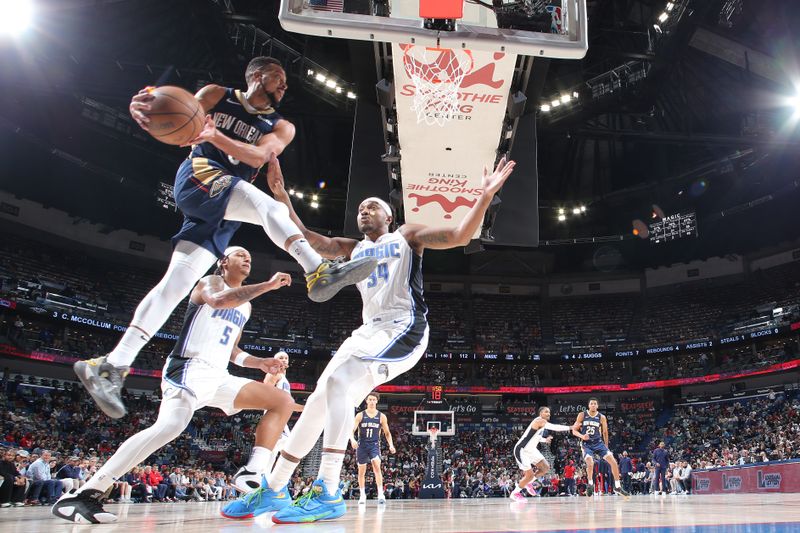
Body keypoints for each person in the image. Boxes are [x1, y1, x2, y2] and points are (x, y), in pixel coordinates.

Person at [75, 56, 377, 420]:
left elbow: (259, 154)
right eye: (277, 77)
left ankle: (110, 366)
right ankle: (317, 270)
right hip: (200, 175)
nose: (284, 85)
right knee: (269, 208)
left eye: (285, 81)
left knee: (175, 286)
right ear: (255, 75)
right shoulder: (217, 95)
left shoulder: (281, 126)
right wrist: (151, 103)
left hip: (224, 204)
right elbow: (178, 120)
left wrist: (214, 134)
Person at [222, 153, 516, 524]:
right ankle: (275, 488)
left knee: (341, 383)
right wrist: (281, 194)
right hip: (366, 331)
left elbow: (458, 235)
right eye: (360, 208)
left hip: (402, 327)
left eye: (372, 206)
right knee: (317, 401)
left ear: (389, 216)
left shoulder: (406, 236)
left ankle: (328, 489)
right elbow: (304, 236)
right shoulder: (352, 248)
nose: (363, 210)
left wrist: (484, 196)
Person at [52, 247, 296, 523]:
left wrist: (259, 363)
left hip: (218, 375)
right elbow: (218, 301)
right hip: (188, 368)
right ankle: (86, 493)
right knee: (169, 427)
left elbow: (233, 350)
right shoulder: (209, 283)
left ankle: (253, 470)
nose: (247, 258)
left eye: (250, 256)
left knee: (282, 401)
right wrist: (267, 285)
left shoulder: (246, 306)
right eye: (240, 254)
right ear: (223, 261)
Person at [231, 350, 304, 494]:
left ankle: (260, 484)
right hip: (274, 417)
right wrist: (305, 408)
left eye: (285, 358)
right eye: (280, 357)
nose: (283, 359)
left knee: (274, 454)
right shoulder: (273, 375)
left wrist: (305, 408)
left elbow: (287, 404)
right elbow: (267, 394)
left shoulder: (283, 377)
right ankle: (260, 481)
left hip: (281, 418)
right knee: (286, 449)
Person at [510, 406, 583, 502]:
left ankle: (528, 483)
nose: (548, 413)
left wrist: (545, 439)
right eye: (546, 412)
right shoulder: (539, 421)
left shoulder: (541, 425)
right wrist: (571, 427)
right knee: (529, 475)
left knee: (545, 467)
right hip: (522, 450)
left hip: (531, 450)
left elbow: (537, 437)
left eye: (549, 412)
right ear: (540, 414)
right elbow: (554, 427)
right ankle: (515, 493)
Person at [573, 398, 631, 497]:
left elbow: (605, 432)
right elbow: (574, 430)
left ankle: (617, 486)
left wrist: (606, 446)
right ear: (588, 405)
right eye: (591, 403)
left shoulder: (601, 417)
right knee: (590, 463)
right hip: (587, 444)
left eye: (595, 404)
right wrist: (582, 436)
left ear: (597, 406)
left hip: (599, 443)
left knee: (613, 462)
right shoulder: (582, 415)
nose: (593, 405)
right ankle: (590, 484)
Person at [350, 391, 395, 504]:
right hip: (362, 445)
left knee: (376, 466)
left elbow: (387, 433)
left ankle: (380, 494)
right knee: (361, 472)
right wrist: (352, 439)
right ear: (366, 401)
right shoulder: (360, 415)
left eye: (373, 400)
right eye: (369, 399)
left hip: (374, 444)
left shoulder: (381, 416)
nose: (371, 401)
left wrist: (391, 445)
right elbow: (351, 430)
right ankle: (362, 495)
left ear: (377, 401)